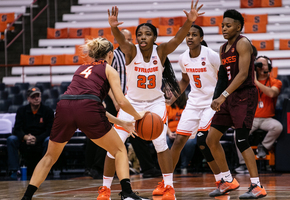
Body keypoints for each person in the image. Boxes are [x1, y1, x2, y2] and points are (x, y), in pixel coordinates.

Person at [99, 2, 204, 200]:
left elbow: (178, 39)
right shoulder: (130, 51)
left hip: (155, 103)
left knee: (160, 144)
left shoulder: (161, 51)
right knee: (114, 146)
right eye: (140, 34)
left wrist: (189, 21)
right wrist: (113, 27)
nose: (142, 37)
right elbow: (121, 39)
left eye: (147, 34)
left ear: (154, 37)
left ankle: (169, 187)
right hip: (132, 105)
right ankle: (105, 190)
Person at [20, 37, 147, 200]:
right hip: (87, 108)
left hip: (64, 106)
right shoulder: (109, 70)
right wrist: (138, 116)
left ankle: (26, 197)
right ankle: (128, 193)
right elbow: (119, 101)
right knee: (119, 150)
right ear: (110, 54)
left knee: (49, 157)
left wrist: (122, 122)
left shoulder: (81, 68)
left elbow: (90, 106)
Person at [206, 9, 267, 199]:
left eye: (228, 25)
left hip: (245, 95)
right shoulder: (223, 49)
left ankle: (257, 186)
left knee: (241, 140)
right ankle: (228, 180)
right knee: (211, 139)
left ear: (238, 27)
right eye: (222, 25)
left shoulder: (243, 43)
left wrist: (222, 96)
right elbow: (223, 77)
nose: (224, 28)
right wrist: (216, 99)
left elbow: (242, 74)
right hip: (228, 96)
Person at [163, 24, 223, 186]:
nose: (190, 37)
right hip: (194, 102)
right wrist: (172, 98)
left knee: (203, 140)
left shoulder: (212, 55)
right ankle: (167, 182)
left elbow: (225, 77)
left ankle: (222, 179)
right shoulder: (183, 58)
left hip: (212, 102)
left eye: (194, 34)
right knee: (179, 141)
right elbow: (184, 81)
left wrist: (223, 97)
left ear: (201, 38)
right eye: (188, 34)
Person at [106, 28, 162, 178]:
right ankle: (104, 175)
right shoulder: (116, 55)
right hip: (117, 100)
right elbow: (106, 80)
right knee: (113, 139)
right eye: (127, 39)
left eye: (131, 39)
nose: (130, 42)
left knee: (138, 135)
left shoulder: (140, 54)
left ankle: (147, 168)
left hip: (130, 100)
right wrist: (115, 100)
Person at [235, 55, 283, 173]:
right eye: (258, 65)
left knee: (278, 127)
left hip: (268, 118)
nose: (261, 67)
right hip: (252, 118)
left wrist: (256, 82)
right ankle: (243, 164)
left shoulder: (275, 82)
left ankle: (264, 146)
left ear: (269, 67)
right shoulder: (248, 83)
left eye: (264, 64)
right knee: (237, 134)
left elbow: (272, 93)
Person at [7, 87, 54, 179]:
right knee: (11, 139)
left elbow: (50, 130)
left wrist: (37, 138)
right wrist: (25, 137)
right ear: (28, 99)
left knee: (49, 140)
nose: (36, 98)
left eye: (38, 96)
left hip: (41, 139)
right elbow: (16, 129)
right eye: (33, 97)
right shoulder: (21, 111)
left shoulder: (47, 111)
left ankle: (44, 170)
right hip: (24, 139)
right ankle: (14, 170)